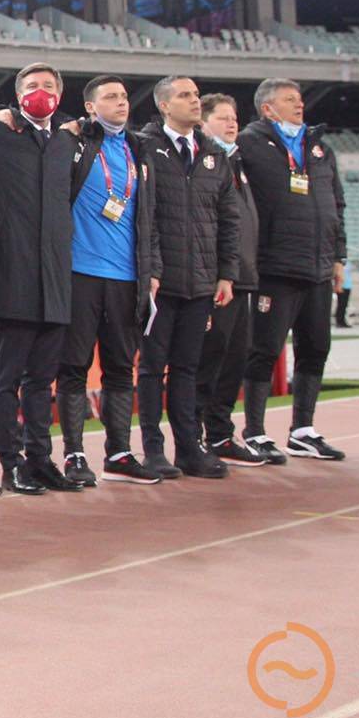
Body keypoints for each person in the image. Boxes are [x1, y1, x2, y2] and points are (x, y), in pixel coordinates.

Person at [0, 64, 83, 495]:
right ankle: (11, 462)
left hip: (55, 278)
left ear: (61, 93)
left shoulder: (66, 140)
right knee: (7, 379)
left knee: (42, 380)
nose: (41, 92)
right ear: (17, 94)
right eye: (32, 86)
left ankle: (41, 459)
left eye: (49, 86)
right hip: (15, 276)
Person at [55, 76, 159, 486]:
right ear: (90, 106)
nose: (121, 102)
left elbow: (150, 218)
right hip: (80, 272)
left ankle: (119, 453)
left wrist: (153, 271)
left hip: (127, 276)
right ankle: (74, 454)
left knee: (120, 368)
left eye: (124, 96)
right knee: (74, 366)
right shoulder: (75, 142)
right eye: (110, 97)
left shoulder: (138, 149)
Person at [239, 78, 348, 461]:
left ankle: (302, 430)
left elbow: (337, 204)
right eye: (290, 100)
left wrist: (338, 257)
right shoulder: (249, 144)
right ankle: (254, 432)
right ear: (268, 108)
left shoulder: (318, 147)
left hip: (317, 266)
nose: (300, 105)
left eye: (300, 99)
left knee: (315, 348)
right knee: (264, 350)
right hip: (275, 267)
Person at [135, 76, 238, 479]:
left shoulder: (213, 153)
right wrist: (151, 270)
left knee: (187, 368)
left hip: (201, 281)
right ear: (164, 105)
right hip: (160, 282)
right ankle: (152, 450)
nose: (195, 101)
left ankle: (188, 448)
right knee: (151, 368)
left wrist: (226, 273)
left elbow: (228, 218)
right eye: (184, 95)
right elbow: (144, 215)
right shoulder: (145, 147)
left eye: (195, 94)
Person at [196, 93, 267, 467]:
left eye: (234, 116)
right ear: (203, 123)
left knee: (235, 358)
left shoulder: (236, 162)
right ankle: (193, 434)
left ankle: (220, 433)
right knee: (209, 357)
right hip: (215, 278)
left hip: (243, 277)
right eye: (222, 117)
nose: (232, 122)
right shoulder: (204, 161)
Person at [338, 263, 353, 329]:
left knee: (345, 305)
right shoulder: (340, 263)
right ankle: (339, 321)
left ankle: (343, 320)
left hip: (348, 286)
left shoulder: (349, 263)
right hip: (341, 286)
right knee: (341, 304)